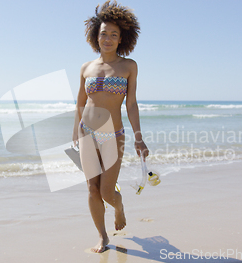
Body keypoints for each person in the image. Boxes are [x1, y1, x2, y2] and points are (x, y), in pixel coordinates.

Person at [72, 0, 148, 253]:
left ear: (121, 39)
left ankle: (119, 206)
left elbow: (132, 104)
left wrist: (139, 138)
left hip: (113, 135)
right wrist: (75, 131)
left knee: (106, 192)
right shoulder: (86, 67)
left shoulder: (129, 67)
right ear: (96, 35)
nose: (107, 38)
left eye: (113, 34)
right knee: (92, 189)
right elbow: (80, 103)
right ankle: (103, 237)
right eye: (103, 33)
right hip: (86, 133)